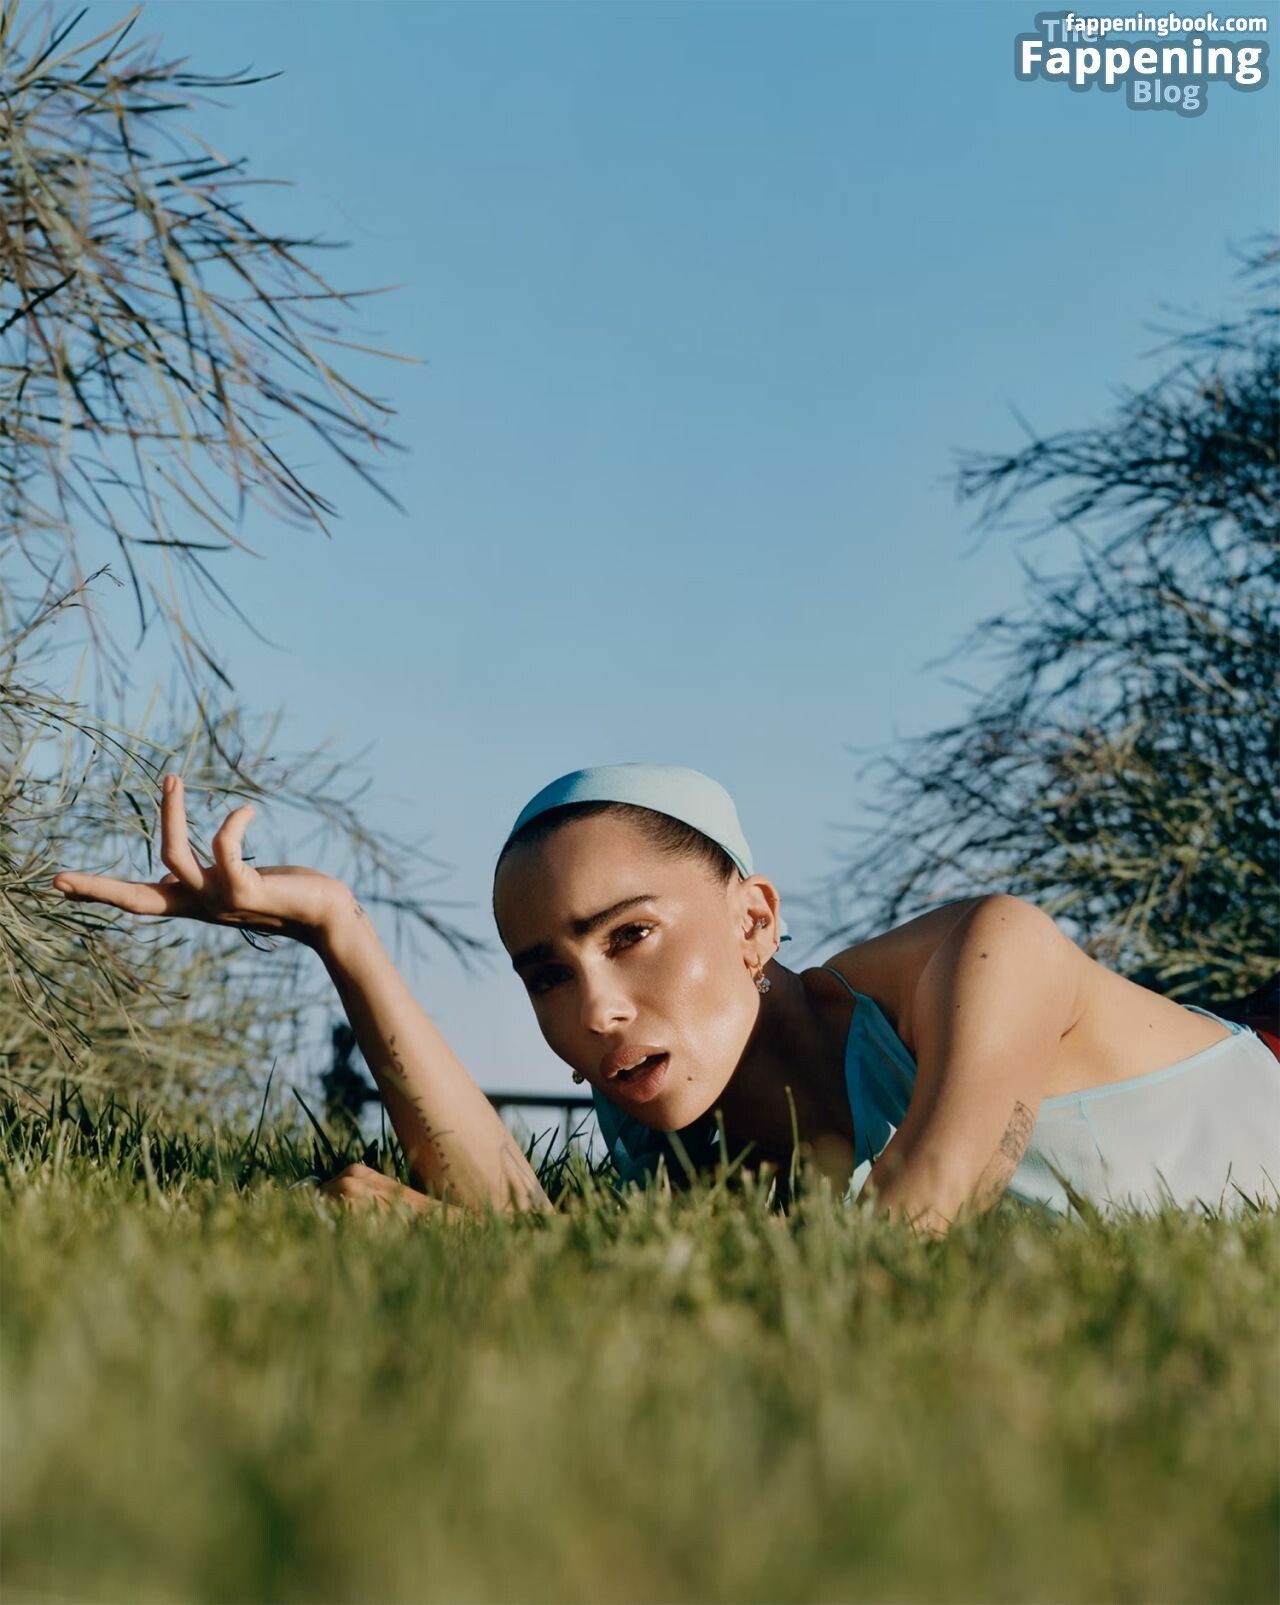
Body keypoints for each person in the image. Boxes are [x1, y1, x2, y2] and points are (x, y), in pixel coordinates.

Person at [51, 764, 1278, 1236]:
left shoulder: (985, 955)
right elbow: (514, 1213)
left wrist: (494, 1256)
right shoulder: (671, 1120)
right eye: (547, 972)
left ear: (753, 922)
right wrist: (340, 933)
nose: (594, 1009)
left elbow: (904, 1237)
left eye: (628, 937)